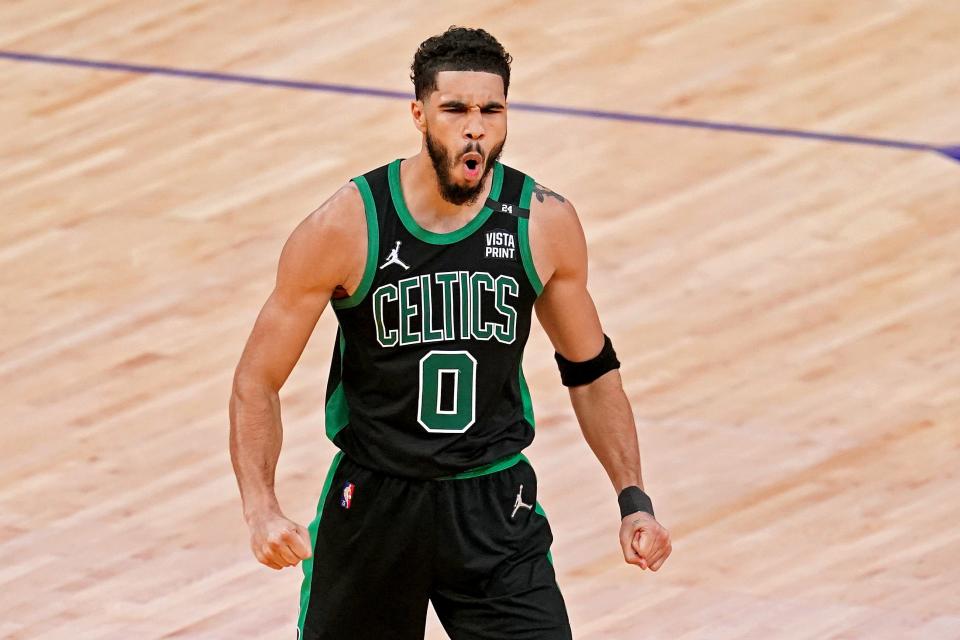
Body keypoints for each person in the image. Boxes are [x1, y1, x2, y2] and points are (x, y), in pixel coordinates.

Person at [229, 26, 672, 640]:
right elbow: (257, 379)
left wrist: (633, 499)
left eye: (491, 110)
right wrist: (261, 507)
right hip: (376, 504)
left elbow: (590, 370)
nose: (475, 128)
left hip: (494, 506)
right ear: (419, 114)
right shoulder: (346, 226)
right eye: (455, 109)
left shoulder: (542, 221)